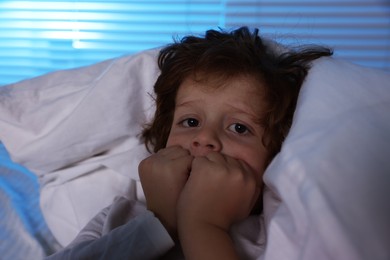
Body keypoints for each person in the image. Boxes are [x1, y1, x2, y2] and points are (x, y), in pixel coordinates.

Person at [46, 26, 332, 259]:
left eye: (239, 127)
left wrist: (203, 226)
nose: (205, 138)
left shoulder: (281, 236)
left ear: (277, 155)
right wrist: (161, 223)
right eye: (191, 122)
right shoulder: (117, 218)